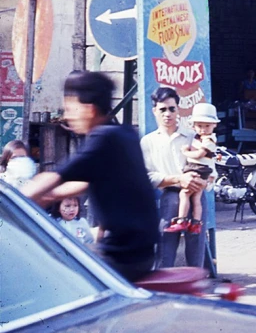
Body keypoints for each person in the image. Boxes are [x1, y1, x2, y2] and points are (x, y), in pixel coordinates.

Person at [22, 71, 159, 282]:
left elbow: (56, 176)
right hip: (140, 253)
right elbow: (83, 182)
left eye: (69, 109)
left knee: (46, 275)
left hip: (122, 257)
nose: (67, 116)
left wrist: (15, 199)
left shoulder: (102, 138)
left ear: (89, 109)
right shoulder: (123, 133)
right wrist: (49, 197)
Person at [140, 87, 208, 268]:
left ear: (178, 109)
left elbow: (209, 165)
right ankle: (165, 289)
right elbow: (147, 176)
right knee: (165, 245)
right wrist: (179, 179)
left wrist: (206, 181)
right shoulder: (148, 141)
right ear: (154, 111)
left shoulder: (192, 136)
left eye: (172, 108)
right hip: (170, 196)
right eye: (162, 109)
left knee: (196, 244)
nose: (167, 114)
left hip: (197, 195)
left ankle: (196, 287)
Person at [164, 103, 219, 235]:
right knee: (196, 198)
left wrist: (185, 152)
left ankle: (181, 221)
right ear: (194, 125)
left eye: (207, 126)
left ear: (214, 125)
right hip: (200, 169)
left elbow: (199, 154)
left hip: (197, 169)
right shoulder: (199, 137)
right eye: (200, 126)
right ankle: (195, 223)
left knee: (184, 193)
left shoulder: (209, 140)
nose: (203, 129)